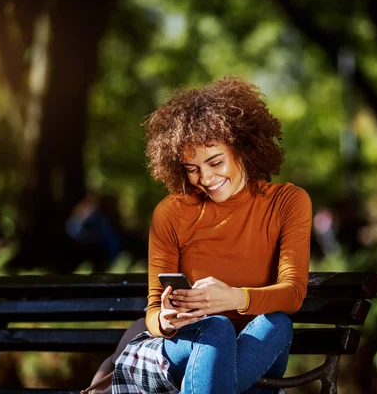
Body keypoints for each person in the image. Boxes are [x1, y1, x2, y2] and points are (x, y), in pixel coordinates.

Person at [91, 76, 312, 394]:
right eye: (191, 168)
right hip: (185, 345)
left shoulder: (288, 202)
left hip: (257, 348)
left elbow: (292, 293)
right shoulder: (171, 212)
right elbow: (153, 313)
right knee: (216, 328)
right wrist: (166, 320)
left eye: (215, 161)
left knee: (277, 322)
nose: (205, 178)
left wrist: (235, 297)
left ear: (242, 146)